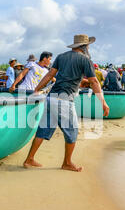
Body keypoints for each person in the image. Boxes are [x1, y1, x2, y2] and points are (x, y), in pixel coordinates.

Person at [23, 34, 109, 172]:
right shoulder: (85, 60)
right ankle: (67, 163)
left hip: (51, 97)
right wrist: (103, 102)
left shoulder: (61, 57)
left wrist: (37, 89)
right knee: (72, 131)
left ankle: (29, 159)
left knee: (43, 129)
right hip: (64, 100)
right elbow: (93, 81)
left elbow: (50, 75)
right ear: (84, 47)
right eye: (88, 46)